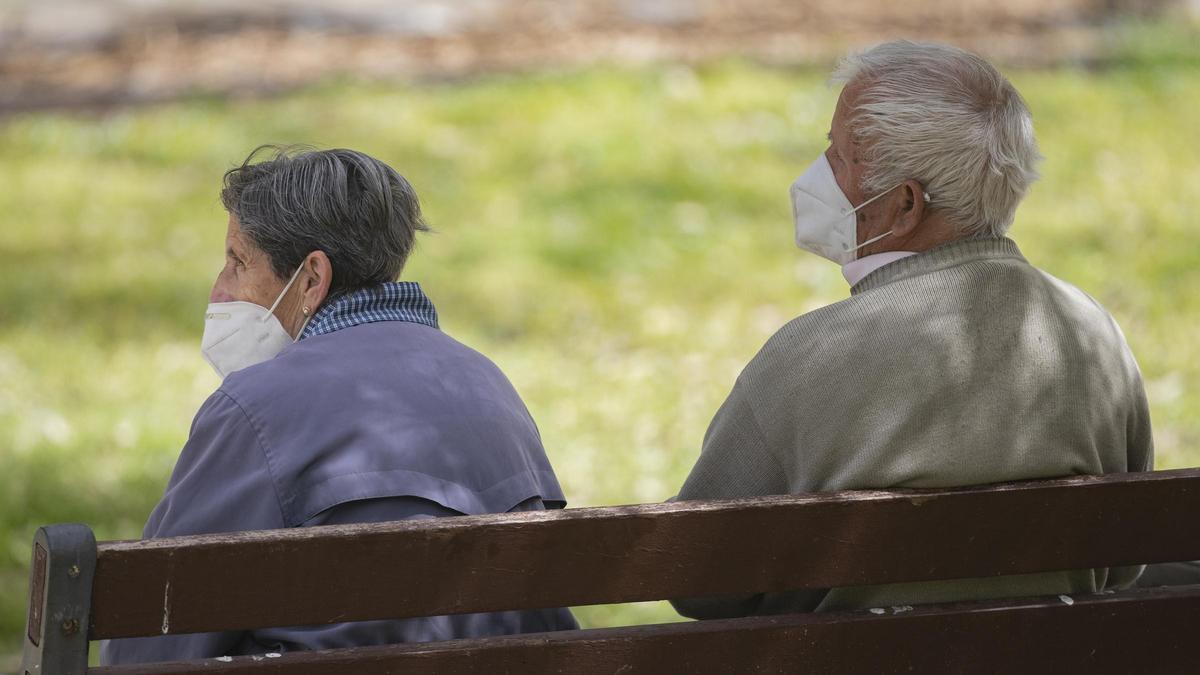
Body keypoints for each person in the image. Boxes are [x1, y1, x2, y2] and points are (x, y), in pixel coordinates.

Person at [670, 41, 1153, 618]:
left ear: (904, 205)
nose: (818, 172)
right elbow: (1126, 559)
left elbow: (697, 578)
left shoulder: (810, 357)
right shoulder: (1091, 331)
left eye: (837, 155)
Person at [101, 146, 577, 664]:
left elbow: (152, 638)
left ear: (311, 279)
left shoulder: (256, 408)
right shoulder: (487, 383)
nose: (219, 290)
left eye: (238, 262)